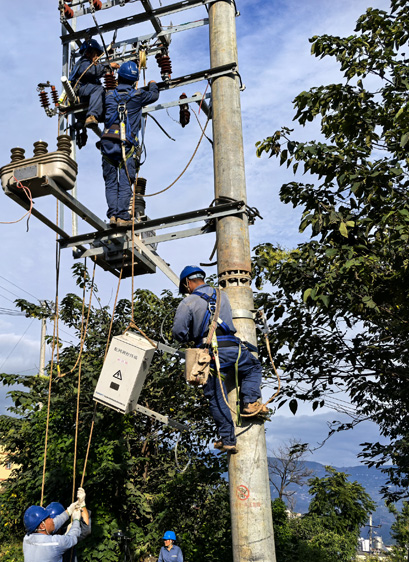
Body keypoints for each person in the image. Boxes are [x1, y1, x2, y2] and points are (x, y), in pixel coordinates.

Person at [172, 266, 267, 453]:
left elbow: (178, 333)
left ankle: (228, 440)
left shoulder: (188, 302)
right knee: (253, 367)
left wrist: (190, 337)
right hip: (234, 348)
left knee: (216, 395)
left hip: (212, 354)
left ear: (187, 283)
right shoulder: (223, 295)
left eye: (186, 288)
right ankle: (249, 402)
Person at [100, 60, 159, 227]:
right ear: (134, 80)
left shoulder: (109, 96)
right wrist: (153, 84)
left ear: (120, 77)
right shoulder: (138, 95)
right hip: (126, 145)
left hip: (108, 144)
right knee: (126, 180)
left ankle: (113, 215)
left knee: (111, 182)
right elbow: (154, 95)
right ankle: (122, 217)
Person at [69, 39, 120, 128]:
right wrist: (108, 66)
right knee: (98, 89)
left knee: (106, 96)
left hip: (87, 95)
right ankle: (91, 116)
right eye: (96, 55)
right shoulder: (84, 62)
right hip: (81, 91)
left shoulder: (88, 64)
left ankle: (108, 129)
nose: (97, 58)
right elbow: (90, 71)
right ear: (89, 53)